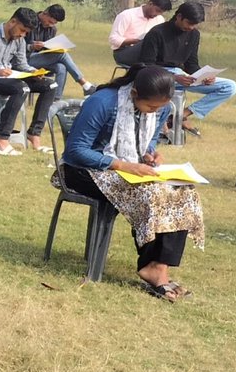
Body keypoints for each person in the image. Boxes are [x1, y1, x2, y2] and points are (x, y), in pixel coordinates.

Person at [60, 66, 203, 301]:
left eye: (159, 108)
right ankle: (153, 269)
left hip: (128, 169)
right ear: (135, 93)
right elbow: (75, 151)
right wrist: (122, 165)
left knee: (183, 191)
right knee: (152, 193)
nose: (155, 112)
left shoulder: (162, 108)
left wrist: (150, 153)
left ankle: (158, 266)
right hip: (84, 170)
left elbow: (149, 140)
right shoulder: (102, 102)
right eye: (151, 107)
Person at [137, 0, 236, 135]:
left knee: (229, 86)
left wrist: (204, 76)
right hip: (158, 76)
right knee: (171, 76)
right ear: (179, 17)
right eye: (189, 23)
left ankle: (180, 115)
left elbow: (191, 64)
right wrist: (173, 77)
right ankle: (166, 123)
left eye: (195, 24)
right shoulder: (157, 32)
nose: (191, 27)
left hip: (182, 76)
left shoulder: (194, 35)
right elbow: (146, 65)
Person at [0, 6, 58, 155]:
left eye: (26, 32)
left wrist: (33, 72)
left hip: (6, 76)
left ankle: (34, 134)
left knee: (50, 85)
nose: (23, 35)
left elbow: (21, 64)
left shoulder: (19, 39)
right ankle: (1, 136)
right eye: (22, 30)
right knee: (21, 88)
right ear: (13, 21)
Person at [24, 4, 93, 99]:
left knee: (61, 67)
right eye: (50, 22)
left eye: (54, 23)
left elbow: (47, 49)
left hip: (40, 59)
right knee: (62, 55)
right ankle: (84, 84)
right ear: (45, 13)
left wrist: (52, 47)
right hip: (25, 59)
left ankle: (56, 99)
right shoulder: (30, 21)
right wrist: (31, 46)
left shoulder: (52, 29)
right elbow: (16, 45)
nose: (51, 25)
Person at [109, 0, 172, 68]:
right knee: (149, 41)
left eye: (161, 12)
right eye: (157, 10)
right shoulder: (127, 15)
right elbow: (113, 39)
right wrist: (136, 41)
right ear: (150, 4)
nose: (157, 14)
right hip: (123, 52)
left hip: (148, 53)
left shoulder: (159, 19)